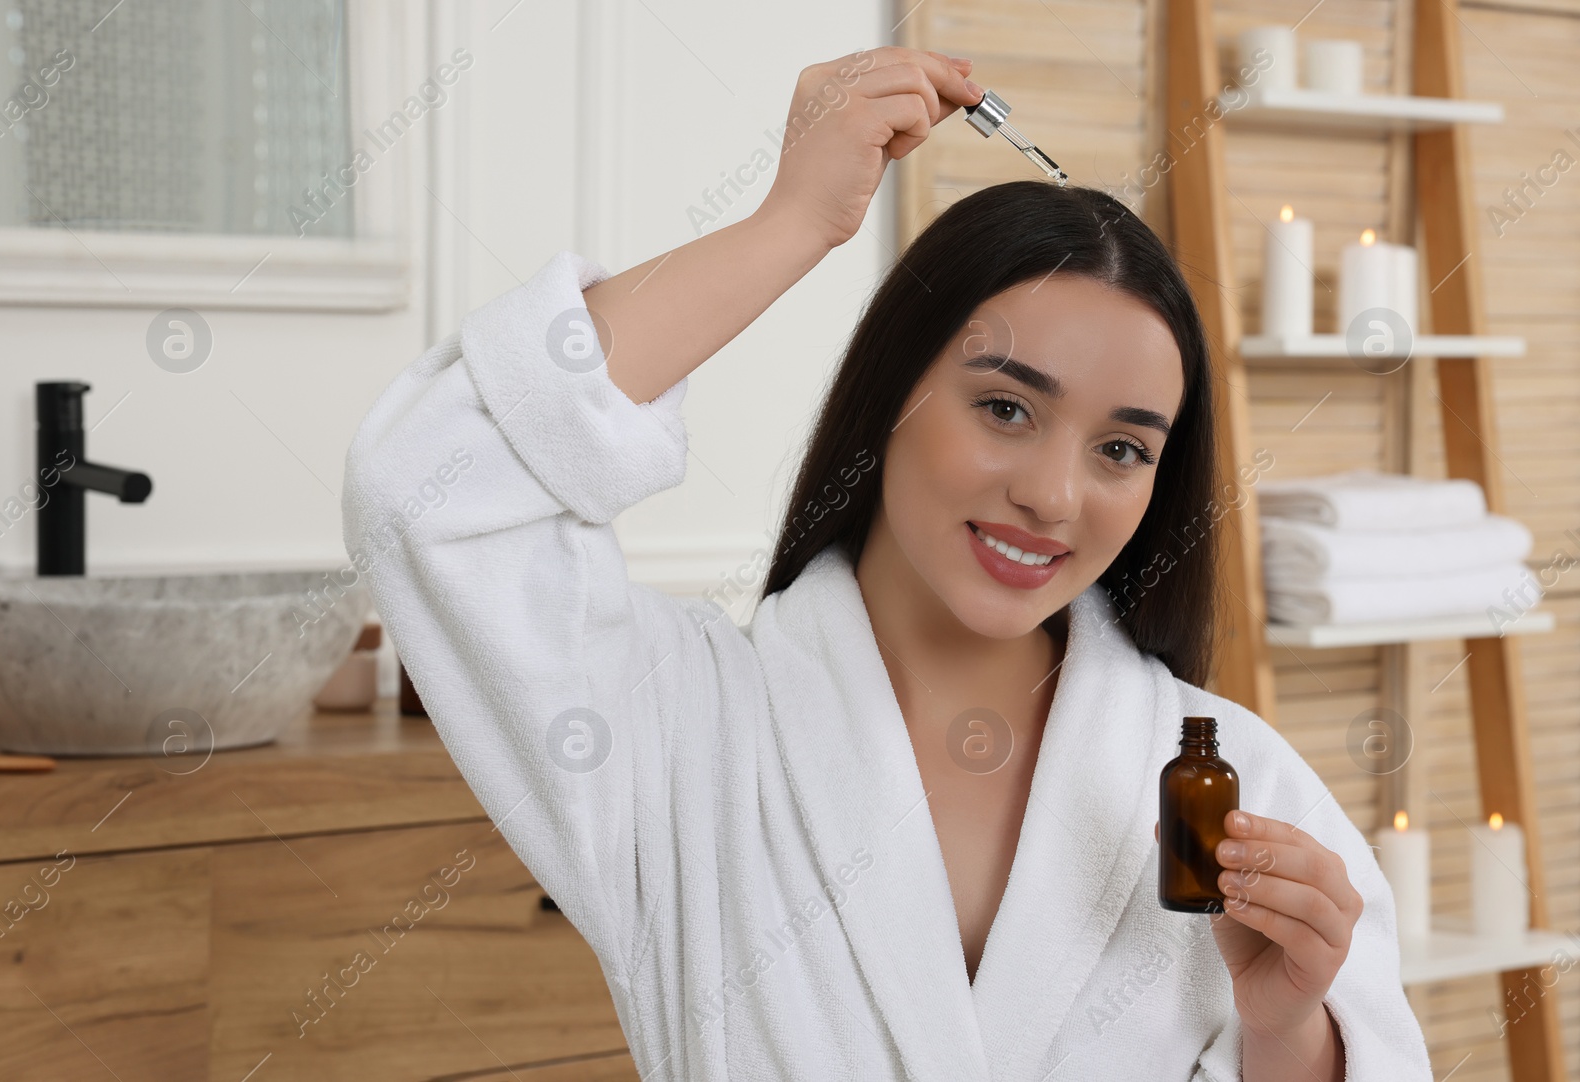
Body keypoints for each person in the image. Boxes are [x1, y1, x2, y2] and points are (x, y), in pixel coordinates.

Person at [343, 45, 1432, 1081]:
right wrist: (790, 224)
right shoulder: (678, 730)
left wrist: (1288, 1028)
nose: (1054, 496)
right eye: (1004, 406)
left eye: (1120, 448)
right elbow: (436, 477)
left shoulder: (1234, 780)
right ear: (891, 396)